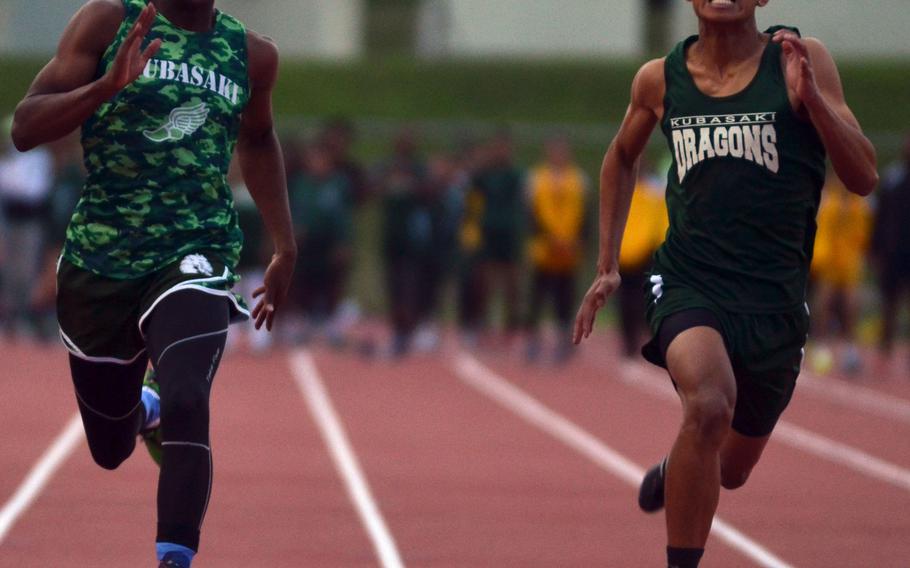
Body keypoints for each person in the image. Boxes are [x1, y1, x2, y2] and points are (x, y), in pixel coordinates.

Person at [573, 1, 878, 566]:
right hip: (689, 280)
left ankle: (678, 466)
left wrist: (811, 99)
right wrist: (607, 265)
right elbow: (619, 156)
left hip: (773, 302)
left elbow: (863, 175)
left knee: (731, 469)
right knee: (710, 406)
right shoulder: (659, 78)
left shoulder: (800, 60)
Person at [11, 2, 296, 567]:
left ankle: (175, 558)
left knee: (189, 394)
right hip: (102, 260)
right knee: (109, 447)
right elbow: (25, 127)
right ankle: (146, 410)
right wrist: (104, 88)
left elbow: (259, 139)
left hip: (197, 251)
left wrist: (285, 243)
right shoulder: (107, 21)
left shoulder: (252, 54)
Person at [525, 136, 588, 363]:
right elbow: (530, 213)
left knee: (566, 296)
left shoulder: (578, 179)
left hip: (569, 250)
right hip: (544, 248)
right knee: (537, 296)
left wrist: (578, 240)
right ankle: (533, 340)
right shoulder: (536, 178)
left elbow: (585, 214)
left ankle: (565, 339)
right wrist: (547, 237)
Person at [808, 173, 871, 376]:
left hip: (850, 262)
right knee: (824, 303)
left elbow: (863, 234)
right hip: (829, 262)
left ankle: (850, 350)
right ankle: (820, 346)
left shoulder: (860, 203)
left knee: (851, 305)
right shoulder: (828, 201)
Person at [0, 116, 54, 339]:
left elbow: (34, 190)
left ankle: (25, 317)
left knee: (26, 270)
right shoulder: (6, 162)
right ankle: (8, 318)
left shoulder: (39, 158)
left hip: (30, 222)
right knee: (9, 271)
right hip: (9, 221)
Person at [469, 131, 526, 342]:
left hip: (509, 232)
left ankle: (511, 325)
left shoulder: (515, 174)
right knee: (485, 279)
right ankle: (483, 322)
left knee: (511, 280)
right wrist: (484, 159)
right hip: (488, 232)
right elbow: (472, 182)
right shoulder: (486, 174)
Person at [617, 165, 668, 359]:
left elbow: (658, 220)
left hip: (646, 252)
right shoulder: (623, 189)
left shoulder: (654, 190)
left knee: (650, 299)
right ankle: (629, 343)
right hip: (625, 252)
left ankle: (651, 340)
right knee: (627, 301)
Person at [871, 133, 910, 365]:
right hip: (893, 249)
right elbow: (880, 217)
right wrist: (875, 249)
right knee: (889, 301)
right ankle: (885, 348)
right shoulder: (892, 179)